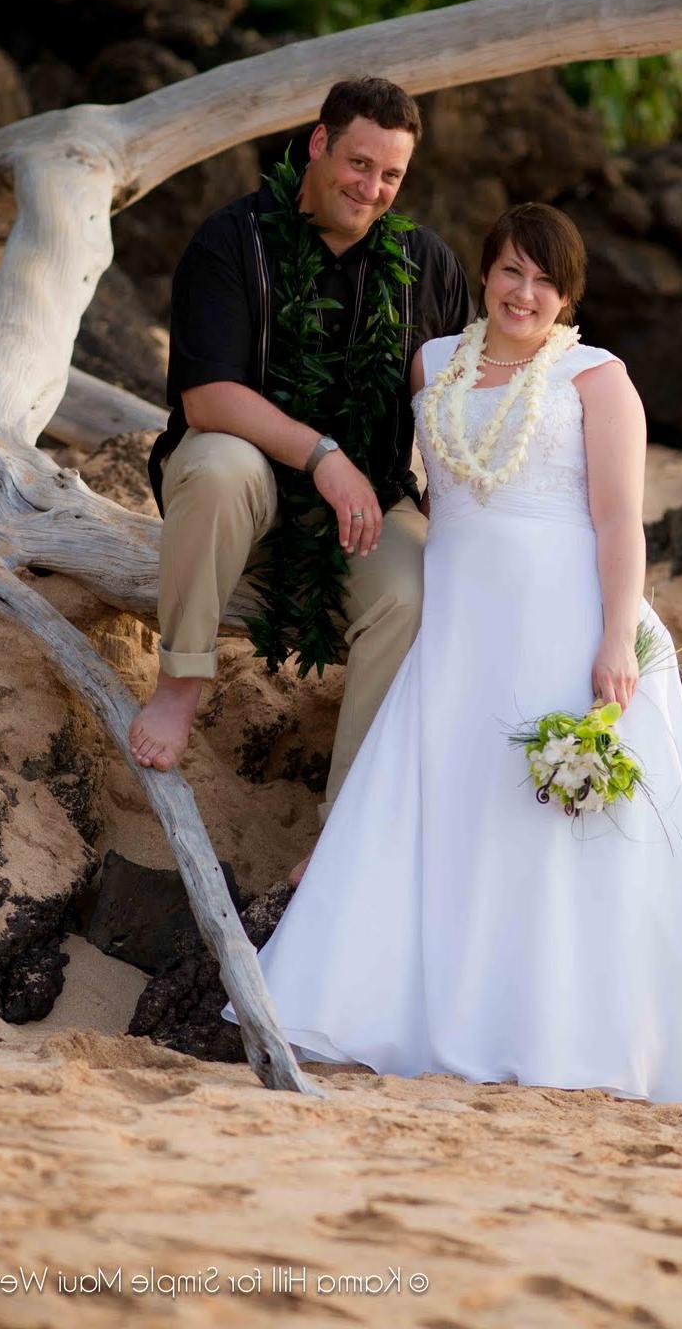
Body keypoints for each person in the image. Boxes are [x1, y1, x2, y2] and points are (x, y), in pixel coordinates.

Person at [222, 201, 682, 1109]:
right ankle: (427, 1010)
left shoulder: (596, 377)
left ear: (567, 296)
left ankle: (550, 1028)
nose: (525, 293)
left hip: (564, 616)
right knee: (454, 807)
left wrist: (615, 637)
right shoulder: (432, 362)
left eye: (546, 281)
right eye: (510, 271)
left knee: (550, 826)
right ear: (486, 272)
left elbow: (620, 519)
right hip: (463, 625)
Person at [130, 77, 471, 887]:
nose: (371, 188)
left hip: (362, 515)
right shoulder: (233, 240)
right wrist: (323, 456)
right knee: (220, 462)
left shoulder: (426, 266)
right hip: (242, 499)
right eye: (358, 163)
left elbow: (462, 405)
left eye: (390, 176)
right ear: (318, 145)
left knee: (415, 592)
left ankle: (347, 823)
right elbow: (206, 397)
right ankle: (181, 681)